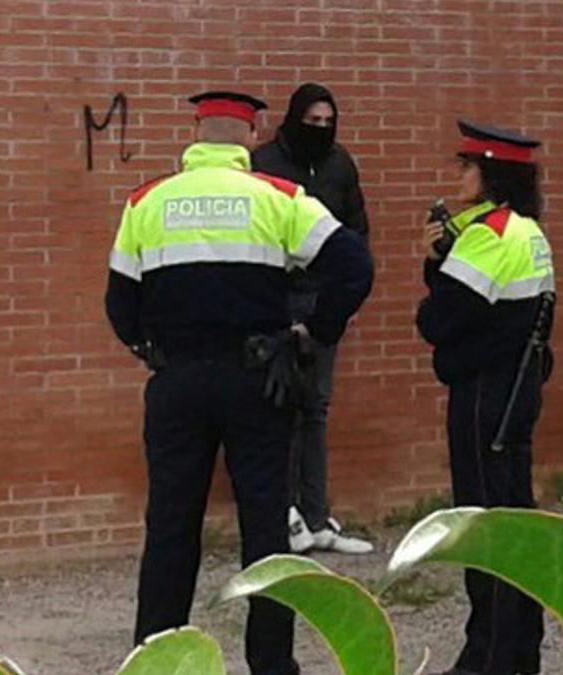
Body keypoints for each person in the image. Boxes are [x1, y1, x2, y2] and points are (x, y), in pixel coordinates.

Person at [106, 91, 374, 675]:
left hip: (177, 382)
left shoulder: (146, 201)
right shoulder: (278, 198)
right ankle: (271, 663)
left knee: (171, 525)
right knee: (265, 528)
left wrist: (150, 351)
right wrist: (310, 332)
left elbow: (119, 302)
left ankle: (157, 657)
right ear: (252, 135)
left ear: (196, 133)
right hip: (259, 381)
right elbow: (354, 266)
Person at [416, 120, 555, 675]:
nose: (460, 175)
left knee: (485, 527)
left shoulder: (488, 234)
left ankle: (488, 657)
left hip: (485, 398)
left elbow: (439, 320)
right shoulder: (525, 230)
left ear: (492, 173)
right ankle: (518, 652)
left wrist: (434, 265)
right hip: (515, 391)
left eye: (468, 166)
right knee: (515, 519)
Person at [251, 83, 373, 555]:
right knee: (277, 409)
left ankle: (318, 517)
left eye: (328, 122)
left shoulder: (339, 164)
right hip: (276, 303)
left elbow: (356, 232)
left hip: (322, 304)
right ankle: (284, 517)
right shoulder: (265, 165)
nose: (320, 129)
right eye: (313, 121)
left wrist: (335, 303)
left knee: (316, 408)